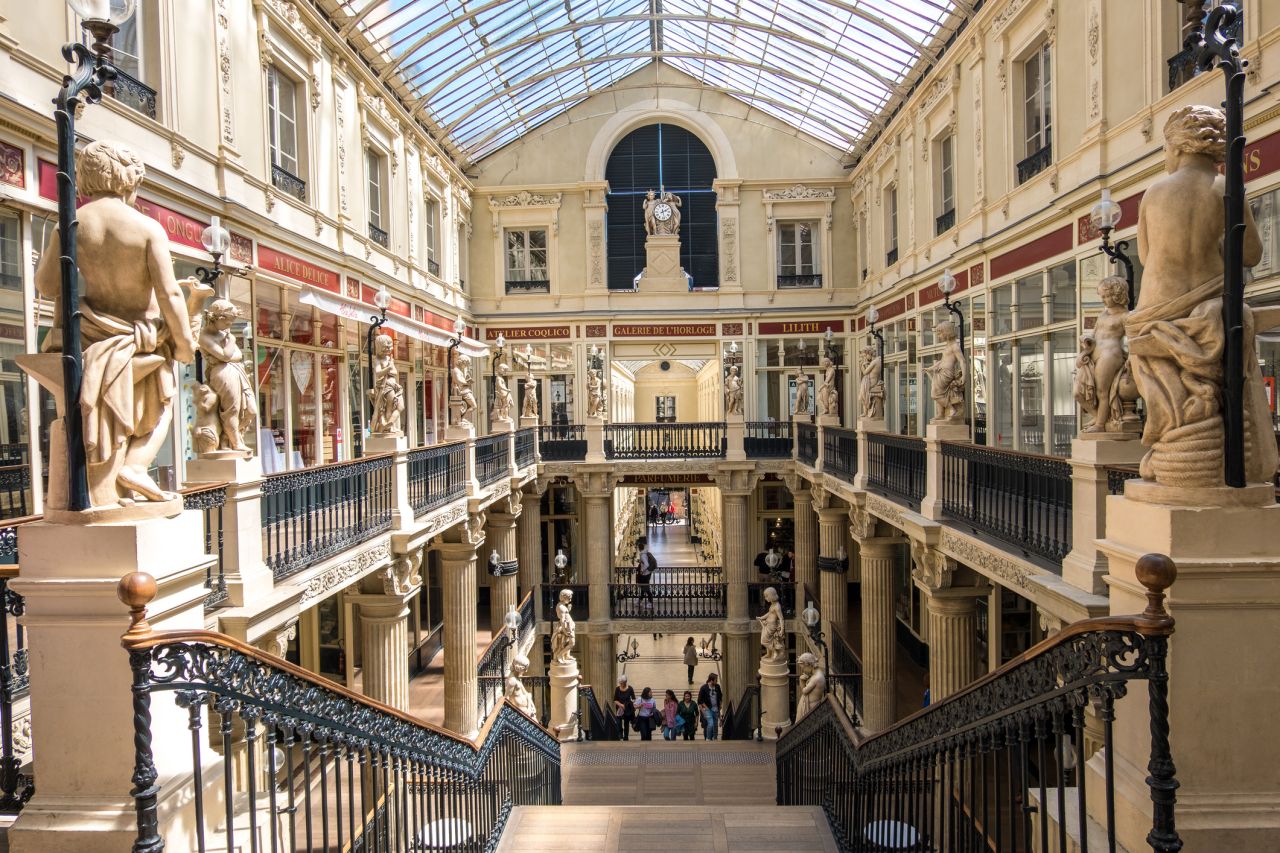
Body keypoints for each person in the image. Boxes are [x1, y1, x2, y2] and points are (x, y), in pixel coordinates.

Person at [697, 673, 723, 740]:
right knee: (710, 724)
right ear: (711, 680)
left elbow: (720, 697)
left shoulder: (717, 686)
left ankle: (715, 738)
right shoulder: (704, 688)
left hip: (716, 709)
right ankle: (708, 738)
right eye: (715, 680)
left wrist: (720, 705)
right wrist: (704, 709)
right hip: (708, 709)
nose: (716, 681)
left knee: (715, 725)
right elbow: (700, 700)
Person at [635, 536, 656, 612]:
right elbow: (644, 563)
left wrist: (642, 571)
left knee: (646, 588)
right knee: (643, 588)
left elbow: (646, 564)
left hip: (645, 574)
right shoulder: (645, 553)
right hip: (647, 573)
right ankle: (640, 601)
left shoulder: (643, 555)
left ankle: (650, 602)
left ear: (639, 548)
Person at [613, 675, 636, 741]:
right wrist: (621, 705)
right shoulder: (617, 689)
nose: (621, 684)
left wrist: (629, 704)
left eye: (622, 682)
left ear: (625, 682)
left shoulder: (630, 688)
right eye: (620, 683)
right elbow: (615, 700)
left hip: (627, 709)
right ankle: (620, 733)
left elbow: (633, 698)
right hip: (619, 709)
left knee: (626, 723)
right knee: (618, 722)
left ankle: (626, 736)